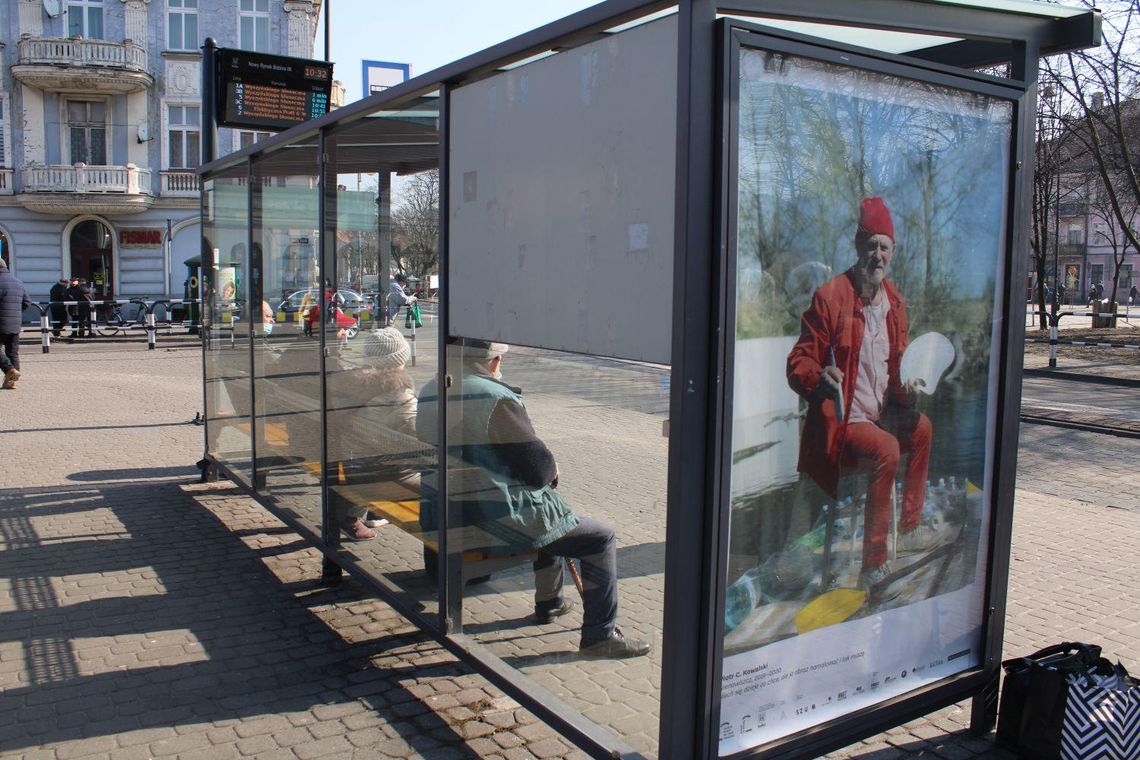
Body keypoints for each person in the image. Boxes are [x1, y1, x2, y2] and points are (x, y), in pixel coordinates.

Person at [416, 339, 651, 659]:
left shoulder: (432, 387)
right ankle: (601, 634)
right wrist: (552, 467)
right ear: (494, 362)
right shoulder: (495, 398)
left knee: (553, 518)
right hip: (490, 518)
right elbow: (538, 471)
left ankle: (550, 602)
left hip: (442, 508)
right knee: (598, 536)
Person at [786, 197, 934, 590]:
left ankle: (912, 525)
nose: (878, 255)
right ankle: (873, 564)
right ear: (858, 247)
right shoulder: (831, 296)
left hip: (880, 413)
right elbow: (799, 360)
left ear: (893, 252)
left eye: (884, 247)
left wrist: (909, 386)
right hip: (844, 421)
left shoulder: (896, 303)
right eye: (871, 245)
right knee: (886, 448)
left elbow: (897, 368)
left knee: (921, 430)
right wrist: (820, 377)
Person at [327, 327, 420, 539]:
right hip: (385, 477)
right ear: (399, 359)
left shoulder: (349, 385)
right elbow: (424, 440)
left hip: (355, 468)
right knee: (451, 488)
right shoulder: (400, 396)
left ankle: (356, 514)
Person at [0, 260, 31, 389]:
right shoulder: (17, 281)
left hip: (0, 322)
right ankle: (12, 382)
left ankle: (9, 369)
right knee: (12, 352)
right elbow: (27, 302)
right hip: (15, 323)